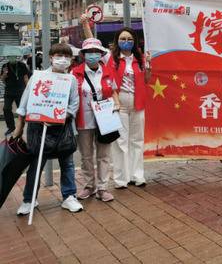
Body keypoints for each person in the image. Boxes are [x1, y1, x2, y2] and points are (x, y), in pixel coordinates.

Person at [81, 15, 151, 189]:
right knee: (120, 142)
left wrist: (148, 66)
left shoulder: (140, 59)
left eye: (129, 39)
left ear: (134, 41)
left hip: (138, 103)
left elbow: (147, 80)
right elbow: (92, 43)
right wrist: (85, 24)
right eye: (122, 39)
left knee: (137, 140)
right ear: (117, 41)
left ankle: (137, 175)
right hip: (117, 103)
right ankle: (121, 178)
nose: (126, 41)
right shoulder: (109, 58)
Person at [13, 43, 83, 215]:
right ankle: (29, 200)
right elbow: (24, 103)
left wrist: (60, 116)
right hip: (39, 129)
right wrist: (19, 128)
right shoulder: (38, 77)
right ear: (51, 57)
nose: (63, 59)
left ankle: (69, 196)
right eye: (59, 55)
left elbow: (74, 104)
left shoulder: (71, 79)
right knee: (36, 166)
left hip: (63, 128)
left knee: (67, 164)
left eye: (67, 56)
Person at [72, 38, 120, 202]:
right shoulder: (75, 73)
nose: (92, 55)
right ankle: (89, 186)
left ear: (100, 54)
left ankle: (103, 187)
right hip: (83, 120)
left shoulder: (108, 71)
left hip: (105, 120)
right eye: (89, 52)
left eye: (96, 52)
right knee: (86, 156)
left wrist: (117, 104)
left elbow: (114, 91)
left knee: (104, 155)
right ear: (84, 54)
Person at [1, 54, 30, 135]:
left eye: (13, 56)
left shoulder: (22, 65)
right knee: (6, 109)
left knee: (21, 111)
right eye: (9, 56)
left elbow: (25, 78)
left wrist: (28, 90)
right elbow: (2, 80)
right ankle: (11, 127)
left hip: (20, 91)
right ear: (7, 57)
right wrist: (4, 74)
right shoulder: (5, 66)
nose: (11, 58)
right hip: (9, 91)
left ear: (16, 57)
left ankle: (21, 127)